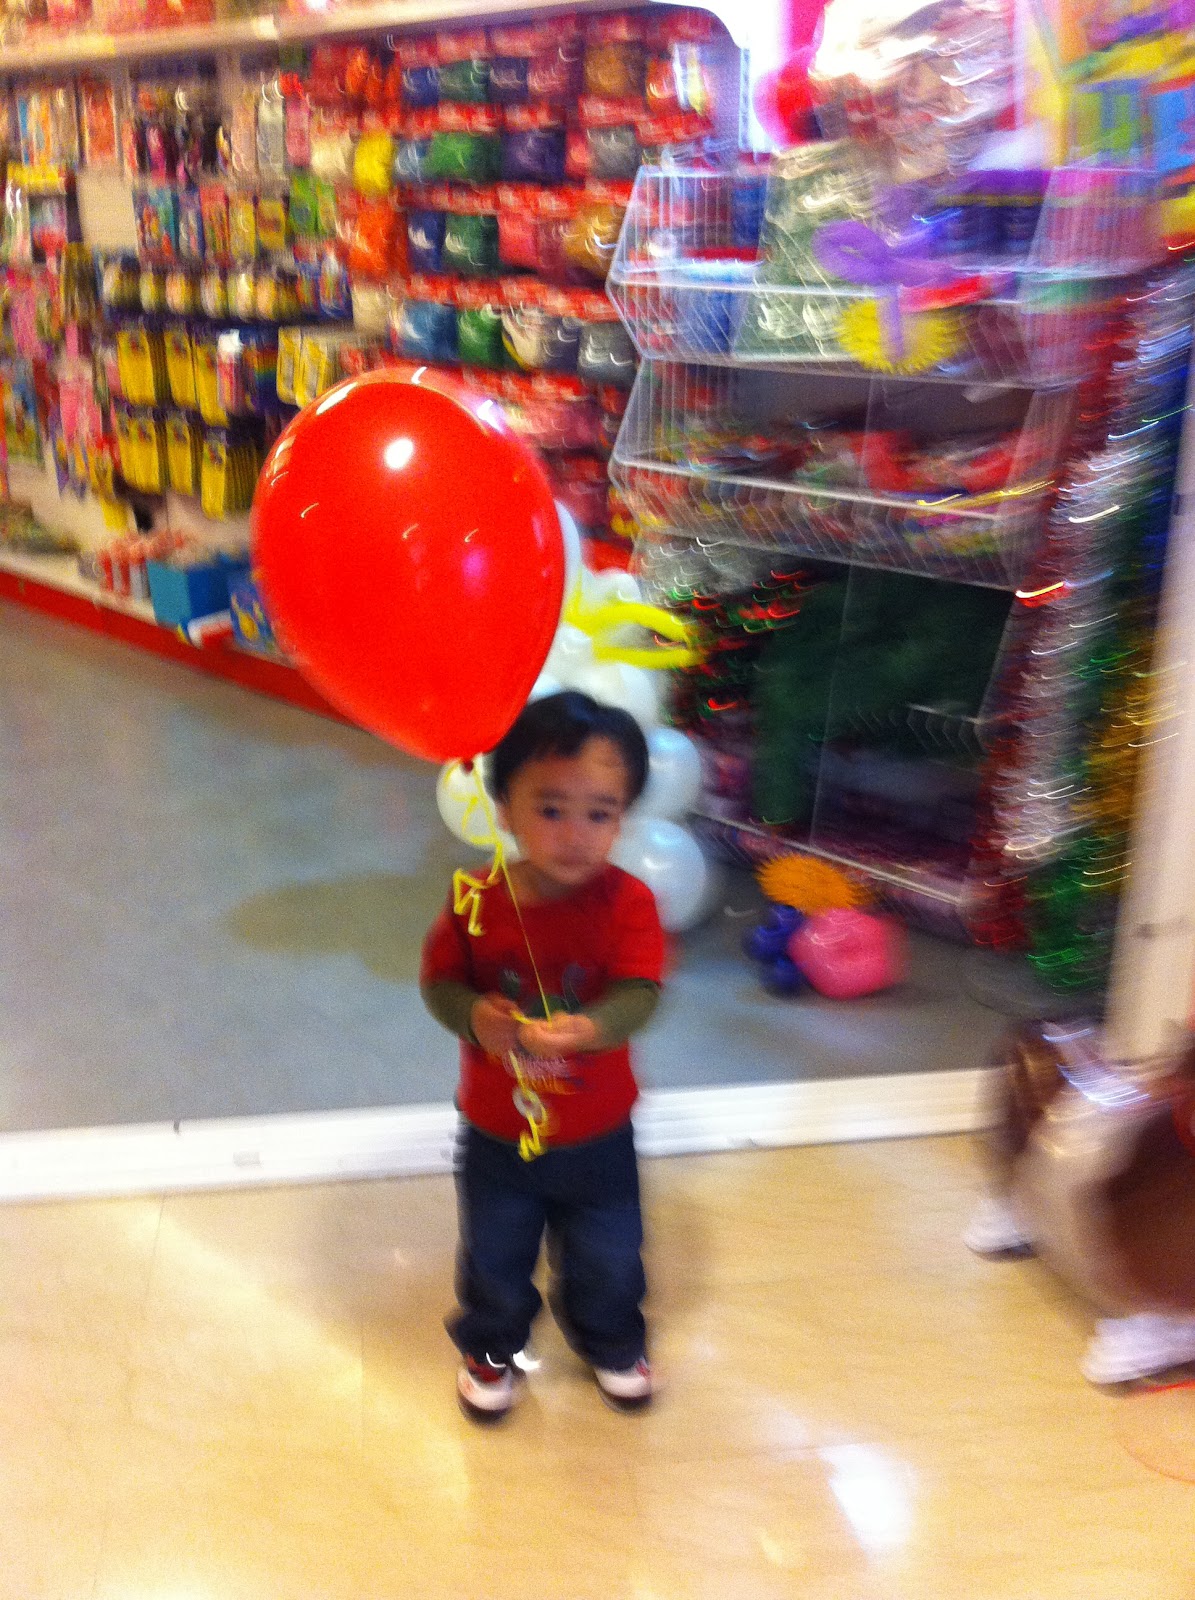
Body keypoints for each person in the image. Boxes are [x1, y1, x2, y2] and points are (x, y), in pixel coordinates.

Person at [420, 691, 665, 1422]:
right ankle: (491, 1346)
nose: (575, 834)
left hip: (598, 1130)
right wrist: (474, 1017)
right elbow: (439, 983)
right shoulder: (473, 899)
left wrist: (593, 1027)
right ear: (502, 808)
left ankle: (611, 1339)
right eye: (551, 808)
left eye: (600, 812)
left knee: (610, 1251)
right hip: (499, 1128)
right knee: (493, 1252)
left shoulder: (628, 903)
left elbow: (640, 991)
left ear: (623, 816)